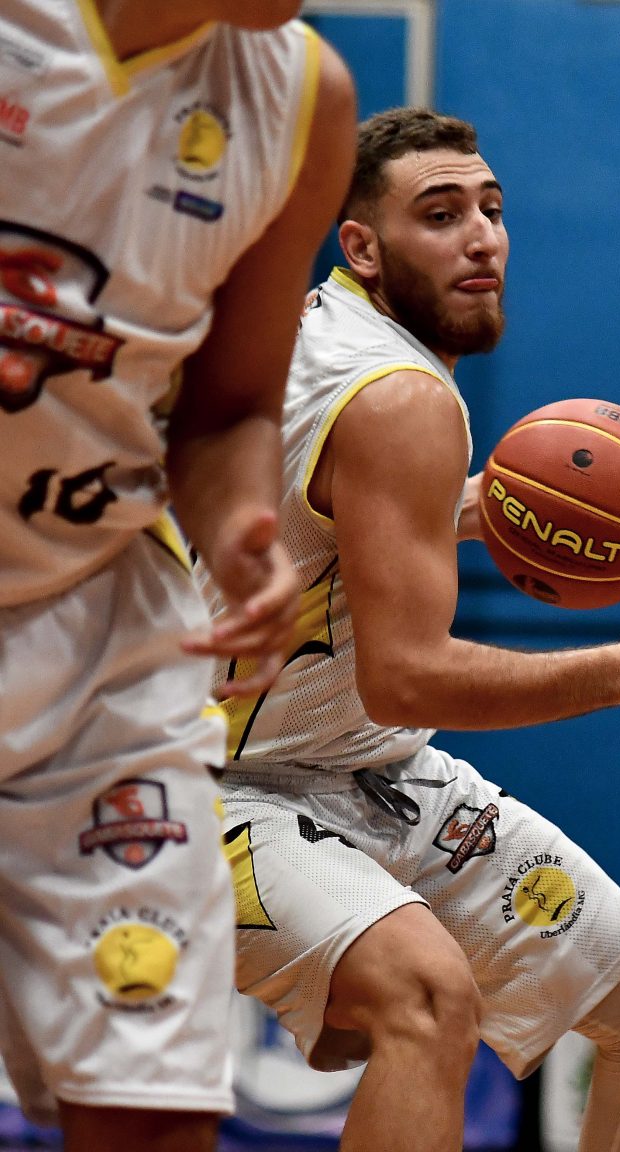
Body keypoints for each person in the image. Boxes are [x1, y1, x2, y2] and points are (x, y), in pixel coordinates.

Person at [204, 108, 620, 1152]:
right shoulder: (399, 396)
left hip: (365, 772)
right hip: (212, 782)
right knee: (426, 998)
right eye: (441, 214)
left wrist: (467, 506)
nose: (482, 237)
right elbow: (407, 681)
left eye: (491, 208)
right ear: (362, 246)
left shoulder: (330, 335)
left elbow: (327, 516)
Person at [0, 3, 356, 1151]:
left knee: (152, 1114)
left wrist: (244, 527)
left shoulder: (303, 98)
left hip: (99, 629)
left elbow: (230, 407)